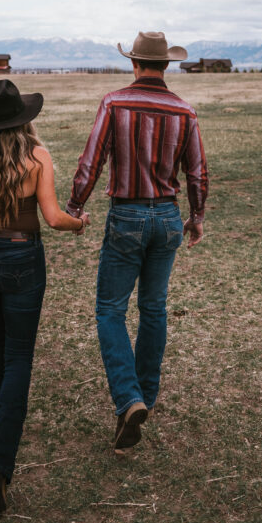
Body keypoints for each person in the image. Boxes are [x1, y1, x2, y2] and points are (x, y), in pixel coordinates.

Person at [0, 78, 89, 514]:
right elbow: (52, 218)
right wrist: (80, 224)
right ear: (24, 118)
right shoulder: (37, 155)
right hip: (22, 257)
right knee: (19, 355)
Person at [65, 31, 208, 451]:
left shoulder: (114, 102)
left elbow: (91, 161)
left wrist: (74, 206)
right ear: (166, 65)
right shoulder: (185, 111)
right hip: (166, 216)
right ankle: (144, 395)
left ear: (134, 63)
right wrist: (196, 216)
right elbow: (197, 171)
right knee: (154, 309)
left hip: (126, 213)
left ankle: (129, 399)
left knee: (110, 310)